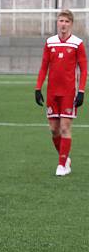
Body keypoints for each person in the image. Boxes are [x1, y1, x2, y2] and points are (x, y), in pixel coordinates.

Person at [35, 9, 87, 177]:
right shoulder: (50, 42)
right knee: (53, 129)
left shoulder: (77, 43)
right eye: (61, 21)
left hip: (69, 93)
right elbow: (44, 67)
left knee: (65, 127)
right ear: (57, 22)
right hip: (52, 92)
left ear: (71, 24)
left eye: (66, 21)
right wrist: (38, 88)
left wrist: (81, 91)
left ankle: (61, 165)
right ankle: (66, 159)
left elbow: (84, 69)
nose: (63, 24)